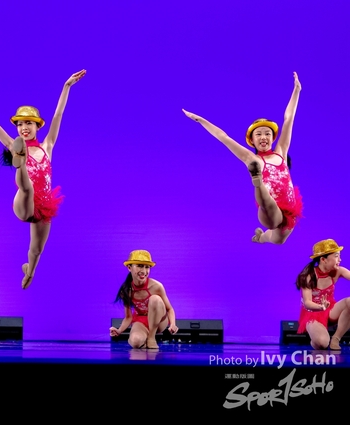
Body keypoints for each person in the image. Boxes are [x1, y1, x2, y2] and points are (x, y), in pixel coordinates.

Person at [0, 69, 86, 289]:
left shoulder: (47, 146)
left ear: (37, 126)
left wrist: (67, 86)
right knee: (27, 188)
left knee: (36, 249)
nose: (24, 128)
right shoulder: (12, 143)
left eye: (28, 123)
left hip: (43, 205)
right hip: (23, 203)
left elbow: (58, 115)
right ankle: (20, 162)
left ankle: (30, 271)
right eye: (20, 124)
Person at [182, 72, 303, 244]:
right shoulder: (251, 158)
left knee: (277, 240)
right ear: (252, 140)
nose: (263, 137)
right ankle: (257, 181)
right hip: (269, 211)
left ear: (272, 138)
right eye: (258, 134)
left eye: (267, 134)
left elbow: (288, 118)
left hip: (290, 209)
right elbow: (224, 137)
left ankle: (261, 238)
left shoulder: (281, 152)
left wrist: (297, 90)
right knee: (271, 212)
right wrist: (200, 120)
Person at [110, 250, 178, 349]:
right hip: (141, 320)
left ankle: (151, 338)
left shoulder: (157, 286)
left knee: (155, 299)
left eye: (147, 267)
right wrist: (119, 331)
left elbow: (170, 309)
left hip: (160, 321)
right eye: (140, 266)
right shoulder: (126, 291)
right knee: (136, 342)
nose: (144, 271)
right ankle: (143, 340)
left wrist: (172, 324)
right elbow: (128, 317)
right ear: (129, 267)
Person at [296, 239, 350, 351]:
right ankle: (315, 338)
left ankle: (336, 338)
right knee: (322, 343)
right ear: (323, 259)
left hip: (331, 310)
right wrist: (321, 307)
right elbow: (307, 302)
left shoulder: (338, 271)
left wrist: (326, 307)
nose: (340, 259)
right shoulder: (308, 276)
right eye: (336, 256)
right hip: (313, 313)